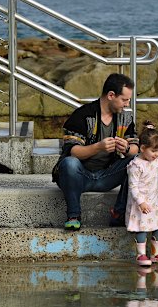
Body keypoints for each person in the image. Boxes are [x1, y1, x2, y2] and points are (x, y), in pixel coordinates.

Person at [52, 73, 139, 230]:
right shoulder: (83, 115)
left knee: (137, 160)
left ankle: (119, 214)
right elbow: (72, 151)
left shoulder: (125, 118)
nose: (127, 104)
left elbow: (135, 148)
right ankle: (73, 215)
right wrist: (98, 147)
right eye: (124, 100)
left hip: (107, 176)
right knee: (69, 164)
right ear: (111, 95)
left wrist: (126, 149)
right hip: (79, 176)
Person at [126, 120, 158, 266]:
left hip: (154, 199)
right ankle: (141, 254)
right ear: (142, 148)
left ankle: (157, 253)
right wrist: (141, 202)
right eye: (153, 151)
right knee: (141, 227)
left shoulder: (155, 159)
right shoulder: (136, 166)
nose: (156, 154)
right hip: (140, 202)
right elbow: (133, 186)